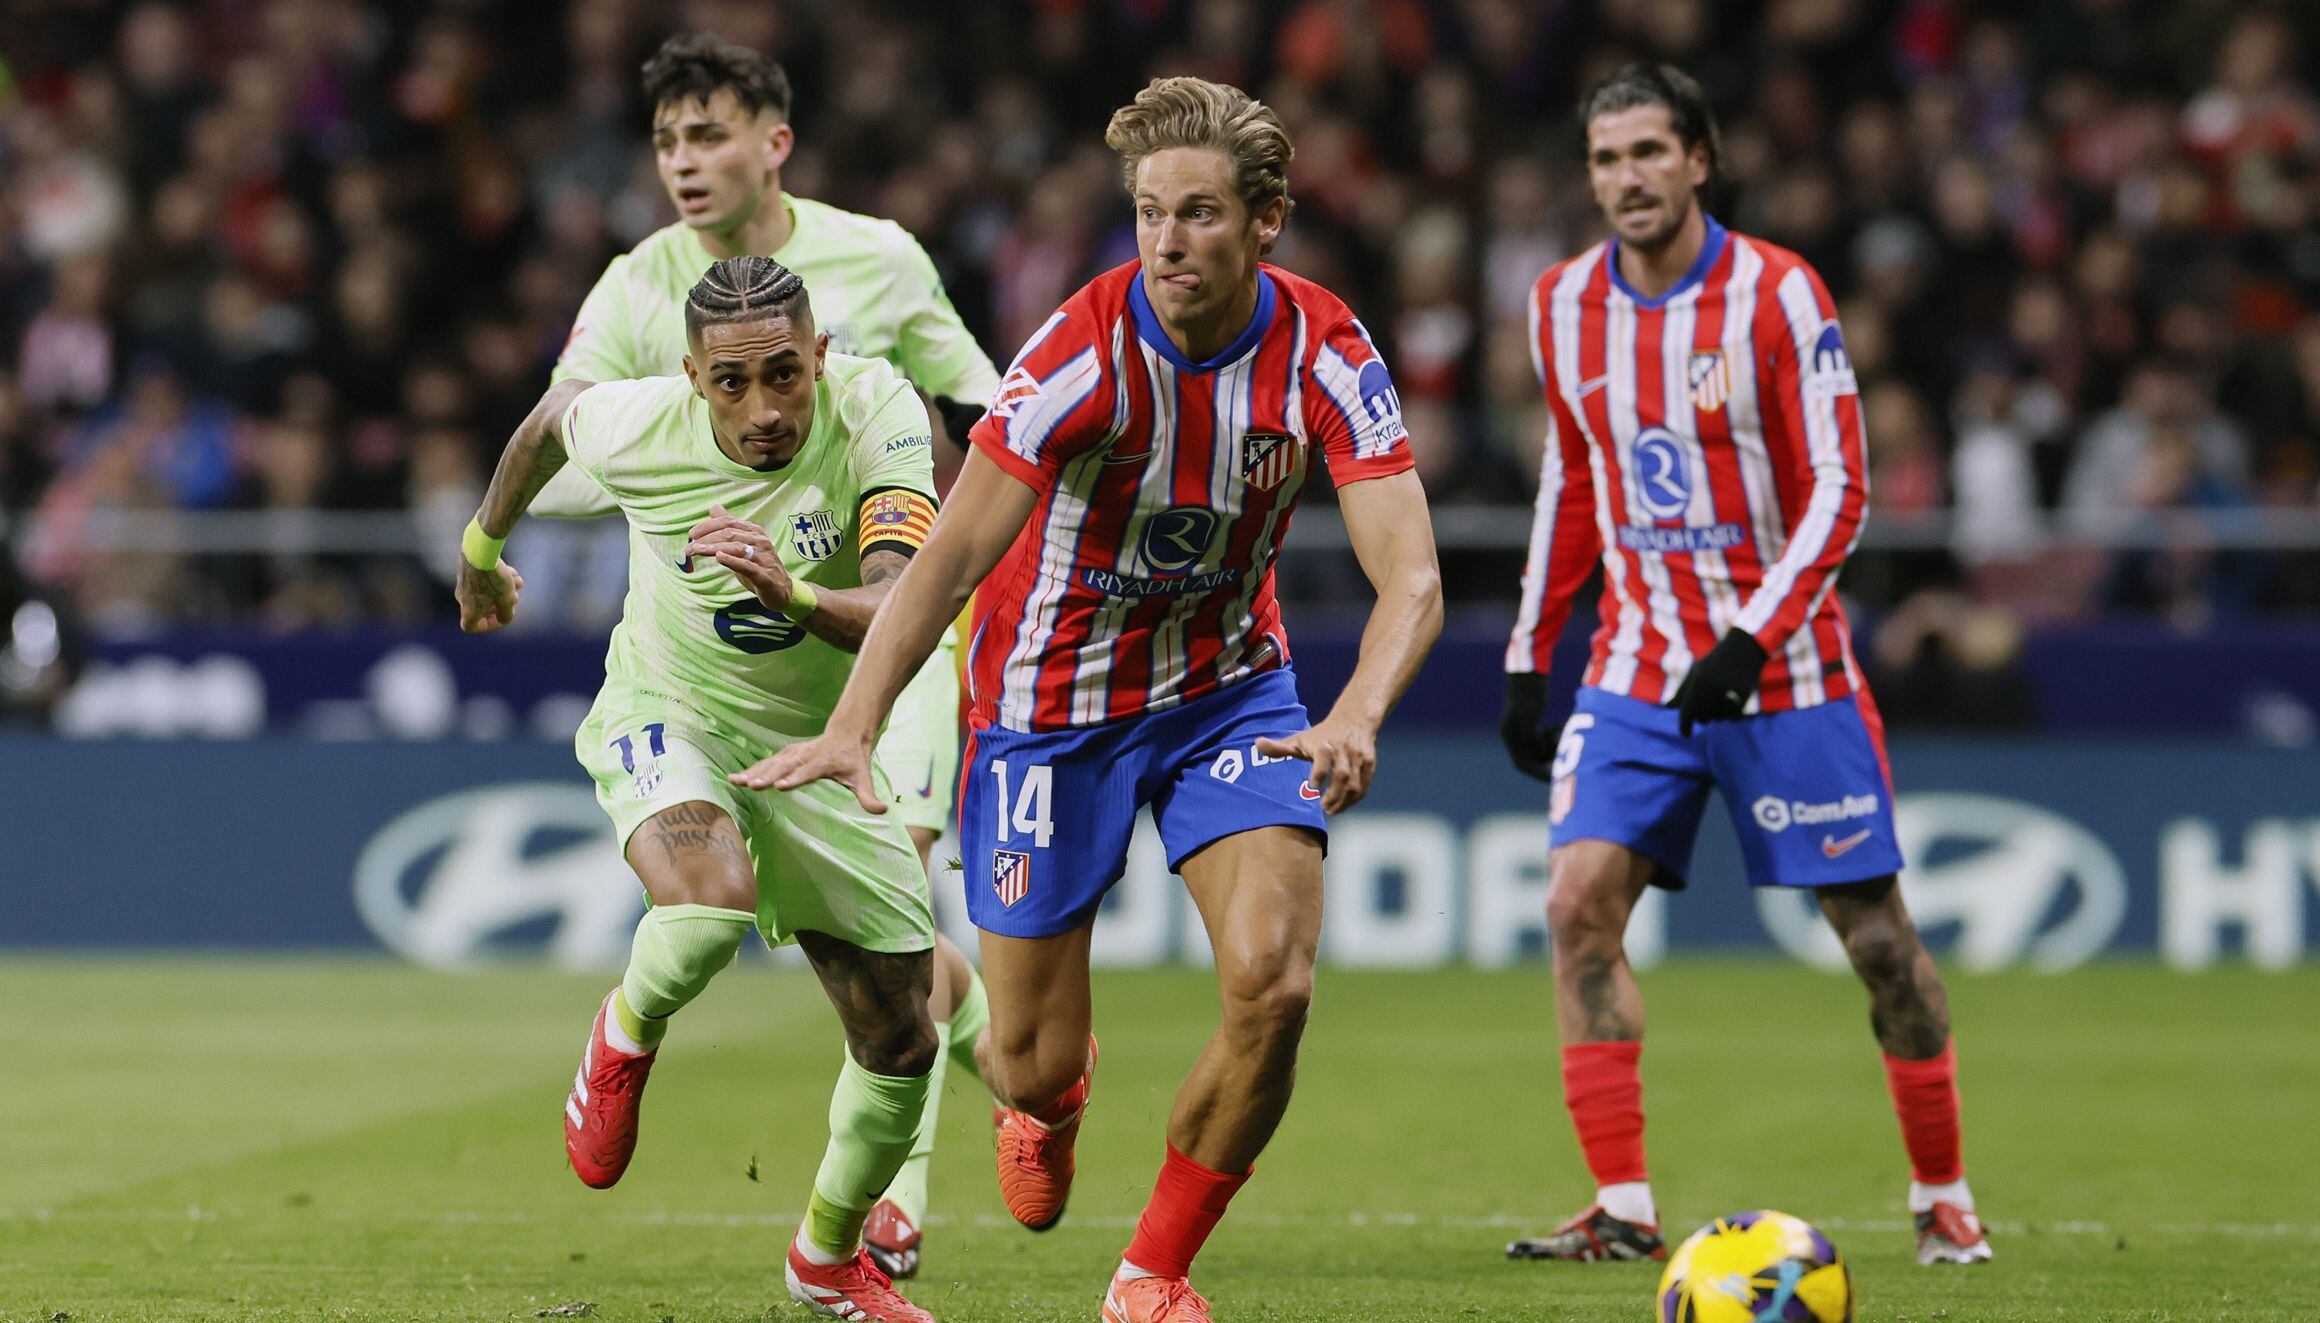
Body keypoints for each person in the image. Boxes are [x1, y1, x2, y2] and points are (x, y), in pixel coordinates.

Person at [750, 77, 1444, 1323]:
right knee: (1027, 1063)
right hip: (1046, 712)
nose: (1168, 242)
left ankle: (1152, 1275)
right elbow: (951, 558)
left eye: (1198, 214)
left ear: (1268, 220)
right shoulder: (1079, 354)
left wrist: (1354, 715)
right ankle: (1048, 1106)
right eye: (1146, 215)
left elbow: (1413, 577)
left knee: (1275, 984)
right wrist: (855, 724)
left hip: (1233, 691)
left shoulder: (1329, 351)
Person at [1497, 64, 1992, 1269]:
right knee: (1574, 908)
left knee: (1875, 940)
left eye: (1650, 153)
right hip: (1636, 667)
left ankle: (1942, 1195)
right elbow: (1573, 478)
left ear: (1700, 159)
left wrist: (1748, 639)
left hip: (1787, 675)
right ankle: (1620, 1205)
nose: (1628, 179)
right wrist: (1529, 651)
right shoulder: (1561, 304)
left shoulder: (1777, 294)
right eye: (1607, 160)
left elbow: (1839, 490)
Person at [532, 33, 999, 1276]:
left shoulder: (881, 263)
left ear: (772, 143)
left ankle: (912, 1183)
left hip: (885, 645)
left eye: (708, 136)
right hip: (709, 668)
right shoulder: (637, 288)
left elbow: (992, 411)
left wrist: (971, 539)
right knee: (730, 911)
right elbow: (565, 423)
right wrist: (496, 537)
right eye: (667, 142)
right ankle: (981, 1108)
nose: (685, 162)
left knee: (898, 935)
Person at [456, 257, 953, 1322]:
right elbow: (548, 422)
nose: (764, 408)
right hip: (669, 709)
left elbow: (904, 601)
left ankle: (825, 1260)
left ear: (821, 357)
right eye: (732, 384)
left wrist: (795, 589)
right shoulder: (641, 425)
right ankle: (623, 1039)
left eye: (785, 375)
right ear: (691, 376)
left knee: (903, 1038)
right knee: (706, 901)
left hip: (816, 744)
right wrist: (480, 550)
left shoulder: (875, 413)